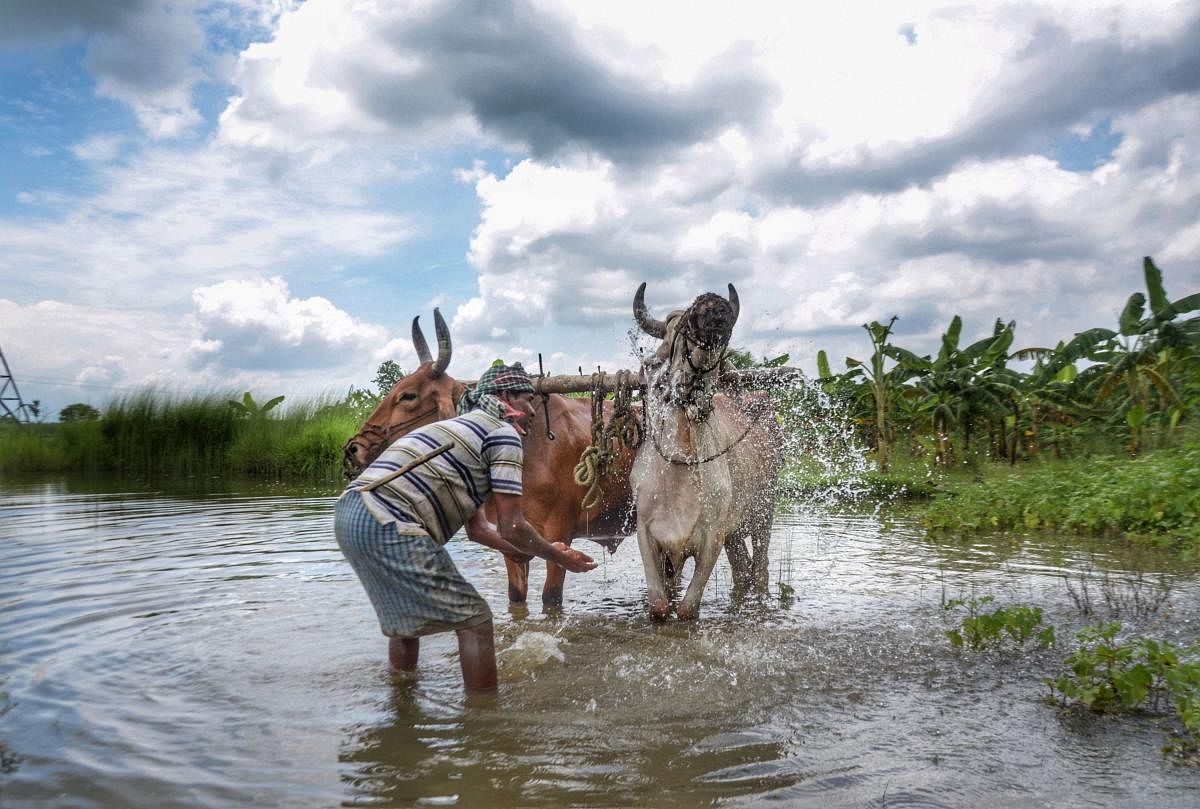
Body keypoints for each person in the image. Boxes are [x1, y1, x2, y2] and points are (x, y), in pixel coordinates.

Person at [335, 362, 596, 692]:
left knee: (406, 625)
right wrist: (557, 556)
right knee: (476, 622)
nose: (532, 410)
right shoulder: (503, 434)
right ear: (505, 400)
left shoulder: (458, 431)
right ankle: (484, 722)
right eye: (527, 400)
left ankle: (401, 705)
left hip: (350, 514)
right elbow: (513, 525)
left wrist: (522, 552)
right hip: (390, 522)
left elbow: (479, 529)